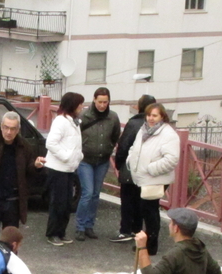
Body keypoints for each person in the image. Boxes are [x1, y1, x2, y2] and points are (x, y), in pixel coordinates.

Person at [0, 111, 46, 243]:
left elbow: (29, 172)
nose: (9, 132)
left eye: (12, 128)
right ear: (1, 126)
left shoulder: (25, 146)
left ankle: (8, 263)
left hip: (13, 199)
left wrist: (36, 166)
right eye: (6, 127)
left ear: (18, 129)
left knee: (11, 240)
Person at [126, 102, 180, 256]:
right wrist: (131, 159)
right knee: (145, 210)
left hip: (155, 179)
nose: (150, 118)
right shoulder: (144, 129)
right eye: (149, 115)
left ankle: (151, 245)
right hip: (142, 177)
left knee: (150, 212)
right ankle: (146, 242)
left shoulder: (168, 135)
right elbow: (135, 147)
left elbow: (172, 159)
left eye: (154, 115)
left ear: (162, 116)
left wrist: (150, 168)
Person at [75, 87, 120, 241]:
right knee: (87, 193)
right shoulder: (83, 116)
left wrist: (108, 148)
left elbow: (115, 136)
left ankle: (89, 225)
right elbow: (75, 134)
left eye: (105, 102)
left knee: (95, 194)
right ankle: (80, 226)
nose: (102, 105)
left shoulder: (113, 117)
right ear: (94, 100)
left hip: (102, 160)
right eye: (100, 102)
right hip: (85, 159)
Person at [111, 94, 156, 243]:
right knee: (141, 201)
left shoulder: (134, 123)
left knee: (128, 200)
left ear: (139, 106)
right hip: (149, 171)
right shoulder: (159, 126)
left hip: (131, 168)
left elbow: (123, 146)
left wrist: (119, 163)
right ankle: (138, 229)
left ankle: (125, 230)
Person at [44, 92, 84, 246]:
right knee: (58, 202)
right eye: (79, 103)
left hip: (69, 169)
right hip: (58, 168)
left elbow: (75, 143)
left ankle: (61, 232)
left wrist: (78, 156)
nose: (81, 106)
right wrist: (67, 156)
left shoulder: (74, 122)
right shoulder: (60, 121)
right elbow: (51, 143)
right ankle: (52, 233)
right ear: (72, 105)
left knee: (67, 202)